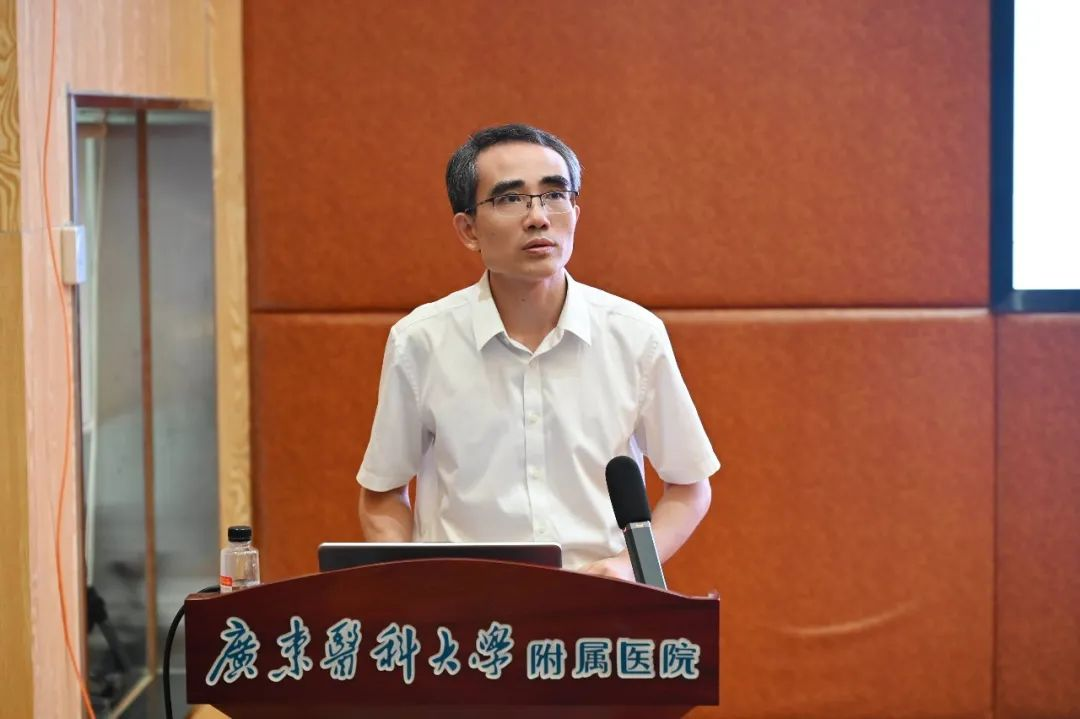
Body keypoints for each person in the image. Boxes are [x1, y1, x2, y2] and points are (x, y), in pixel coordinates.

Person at [356, 124, 719, 580]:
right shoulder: (420, 341)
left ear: (575, 213)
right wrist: (414, 588)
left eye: (554, 195)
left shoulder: (635, 336)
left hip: (599, 604)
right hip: (469, 608)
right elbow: (382, 494)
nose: (538, 217)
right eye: (511, 199)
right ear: (468, 229)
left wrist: (627, 567)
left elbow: (689, 485)